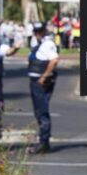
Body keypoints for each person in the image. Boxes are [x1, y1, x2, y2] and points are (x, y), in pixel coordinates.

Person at [27, 22, 60, 154]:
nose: (37, 34)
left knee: (42, 112)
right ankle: (43, 140)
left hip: (41, 83)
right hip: (35, 82)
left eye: (39, 31)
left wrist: (44, 77)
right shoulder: (38, 44)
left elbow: (54, 60)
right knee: (38, 112)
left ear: (44, 31)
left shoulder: (47, 44)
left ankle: (44, 142)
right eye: (35, 31)